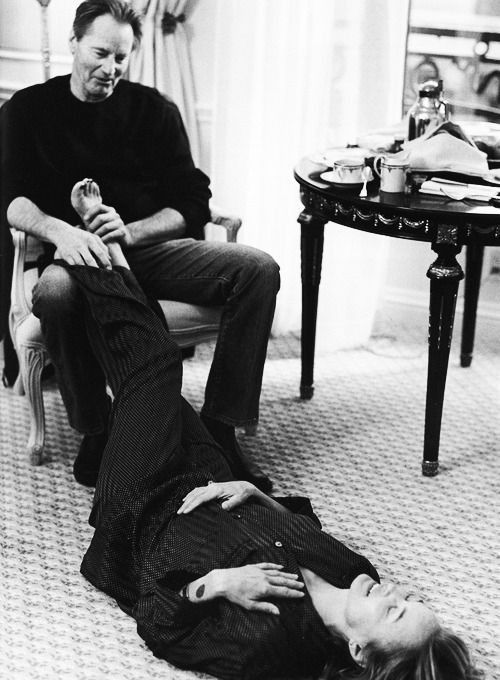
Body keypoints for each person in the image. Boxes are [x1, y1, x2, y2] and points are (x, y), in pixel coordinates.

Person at [46, 178, 479, 680]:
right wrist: (255, 493)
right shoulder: (356, 572)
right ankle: (110, 259)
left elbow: (159, 622)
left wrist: (216, 584)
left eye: (395, 613)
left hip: (141, 505)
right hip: (207, 472)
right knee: (142, 370)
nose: (393, 593)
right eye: (411, 598)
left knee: (156, 362)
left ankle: (95, 249)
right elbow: (301, 523)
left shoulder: (271, 646)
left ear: (360, 652)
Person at [2, 0, 279, 491]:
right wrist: (63, 232)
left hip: (147, 252)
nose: (110, 68)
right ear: (74, 43)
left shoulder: (155, 110)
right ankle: (96, 429)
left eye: (121, 57)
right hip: (76, 259)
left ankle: (220, 428)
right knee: (54, 293)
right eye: (100, 53)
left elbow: (191, 201)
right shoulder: (27, 109)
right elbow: (11, 197)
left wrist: (130, 232)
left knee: (258, 268)